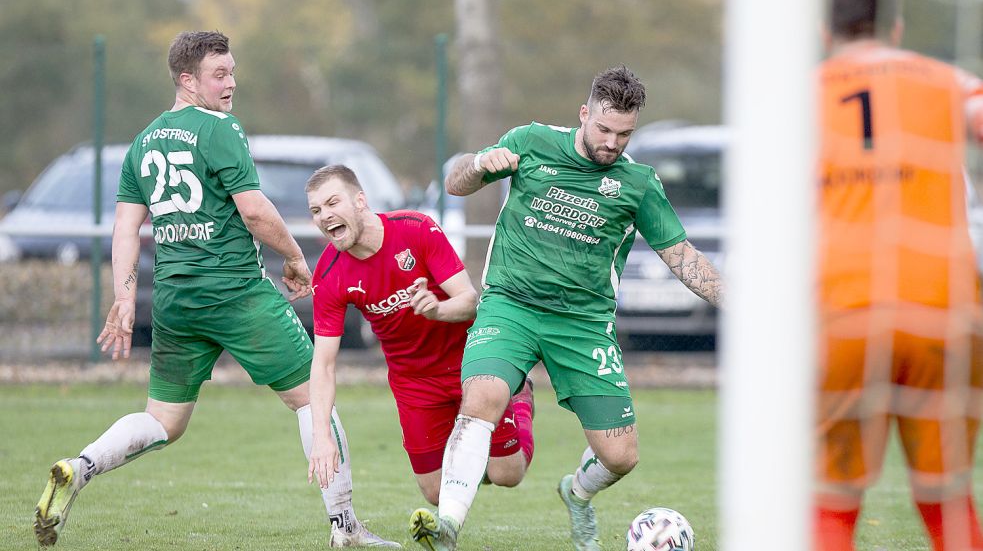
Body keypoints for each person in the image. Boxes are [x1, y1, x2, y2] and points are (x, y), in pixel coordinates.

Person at [33, 31, 398, 549]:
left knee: (163, 421)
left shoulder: (145, 140)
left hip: (176, 300)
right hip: (235, 293)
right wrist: (296, 257)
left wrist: (123, 294)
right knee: (313, 398)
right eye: (218, 75)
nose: (230, 84)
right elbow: (253, 210)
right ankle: (345, 528)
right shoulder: (220, 128)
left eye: (232, 72)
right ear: (188, 81)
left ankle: (80, 467)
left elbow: (124, 228)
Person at [408, 66, 724, 551]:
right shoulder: (531, 141)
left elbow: (682, 257)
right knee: (482, 399)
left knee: (620, 456)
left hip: (583, 325)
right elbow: (456, 184)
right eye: (603, 129)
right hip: (510, 306)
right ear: (584, 113)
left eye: (624, 133)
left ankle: (576, 495)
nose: (612, 142)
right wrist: (479, 165)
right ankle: (447, 525)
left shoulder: (637, 183)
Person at [814, 0, 983, 550]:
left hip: (843, 309)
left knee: (832, 500)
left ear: (823, 28)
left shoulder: (800, 94)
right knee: (947, 499)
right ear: (898, 25)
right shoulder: (946, 81)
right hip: (944, 306)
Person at [303, 164, 535, 507]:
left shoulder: (415, 229)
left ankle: (521, 400)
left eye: (333, 203)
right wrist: (321, 437)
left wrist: (436, 311)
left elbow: (470, 301)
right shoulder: (329, 273)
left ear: (361, 201)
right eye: (316, 210)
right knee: (437, 494)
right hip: (413, 381)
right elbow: (323, 364)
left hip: (469, 363)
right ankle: (471, 455)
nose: (325, 216)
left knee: (507, 475)